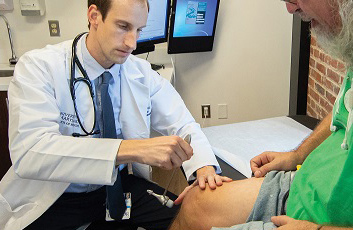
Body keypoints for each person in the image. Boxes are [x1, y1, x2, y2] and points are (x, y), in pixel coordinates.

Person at [0, 0, 232, 229]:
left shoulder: (141, 74)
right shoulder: (40, 67)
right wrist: (131, 149)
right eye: (123, 26)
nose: (132, 43)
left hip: (115, 187)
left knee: (192, 220)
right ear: (94, 16)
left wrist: (204, 168)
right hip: (57, 193)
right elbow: (30, 151)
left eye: (138, 30)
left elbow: (184, 124)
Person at [169, 0, 353, 229]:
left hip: (320, 220)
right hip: (306, 183)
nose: (290, 8)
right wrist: (297, 155)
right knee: (195, 203)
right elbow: (345, 110)